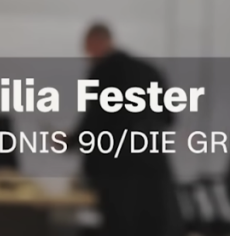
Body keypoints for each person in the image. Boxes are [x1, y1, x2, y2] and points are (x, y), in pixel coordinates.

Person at [73, 22, 184, 236]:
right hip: (153, 170)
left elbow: (94, 123)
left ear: (96, 43)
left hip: (117, 172)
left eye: (87, 49)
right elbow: (169, 118)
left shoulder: (102, 73)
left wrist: (69, 142)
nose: (87, 56)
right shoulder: (149, 70)